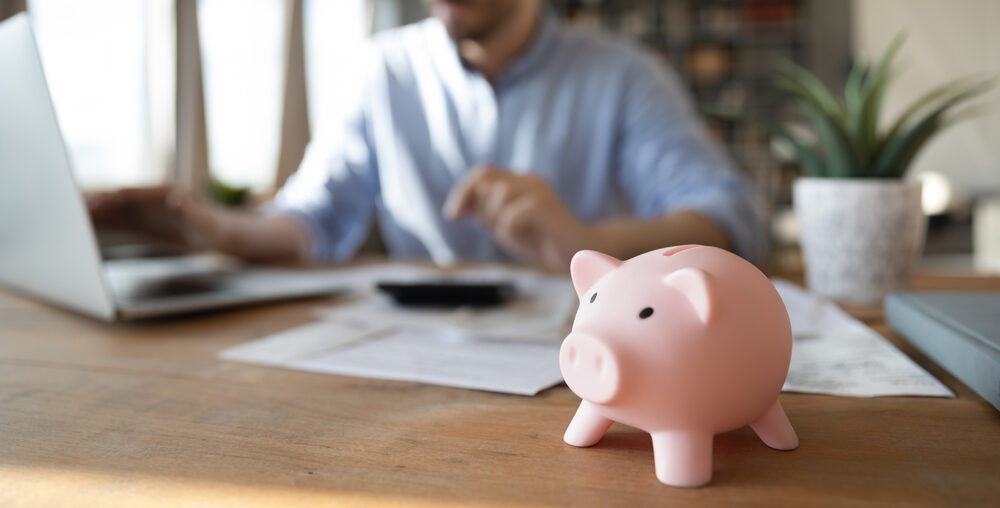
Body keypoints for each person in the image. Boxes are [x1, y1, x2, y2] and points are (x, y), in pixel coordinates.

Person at [89, 0, 763, 272]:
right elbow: (314, 221)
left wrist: (587, 244)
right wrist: (212, 230)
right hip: (418, 371)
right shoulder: (382, 70)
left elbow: (731, 222)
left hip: (591, 362)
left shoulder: (623, 76)